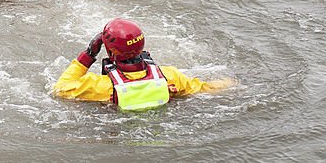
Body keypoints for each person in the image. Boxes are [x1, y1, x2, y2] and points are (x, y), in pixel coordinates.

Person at [53, 18, 234, 111]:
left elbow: (59, 89)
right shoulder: (169, 76)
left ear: (109, 51)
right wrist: (232, 83)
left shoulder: (99, 87)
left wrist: (89, 53)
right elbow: (206, 89)